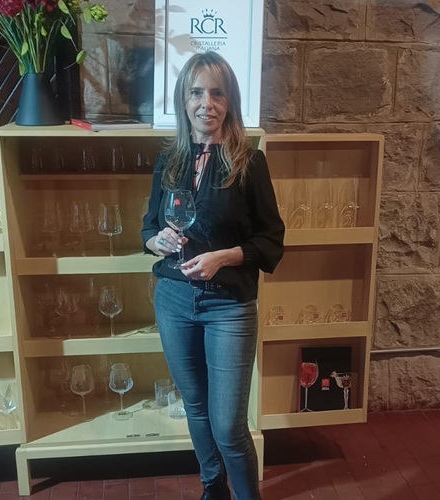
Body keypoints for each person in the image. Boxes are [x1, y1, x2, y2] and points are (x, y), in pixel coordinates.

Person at [140, 52, 285, 500]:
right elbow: (147, 228)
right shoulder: (169, 162)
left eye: (217, 93)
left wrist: (223, 257)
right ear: (184, 101)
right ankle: (212, 488)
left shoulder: (249, 163)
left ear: (230, 101)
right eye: (197, 93)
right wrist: (157, 241)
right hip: (173, 299)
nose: (207, 103)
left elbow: (271, 241)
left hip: (229, 307)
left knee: (228, 426)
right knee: (196, 408)